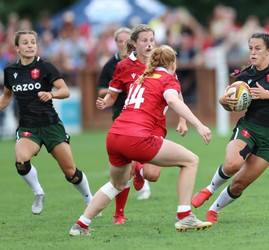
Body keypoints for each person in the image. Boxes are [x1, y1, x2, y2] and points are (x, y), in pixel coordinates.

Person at [69, 45, 212, 235]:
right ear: (172, 63)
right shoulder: (167, 78)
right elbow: (172, 100)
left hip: (114, 136)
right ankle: (184, 216)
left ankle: (81, 224)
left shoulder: (141, 78)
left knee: (116, 184)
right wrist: (199, 125)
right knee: (191, 160)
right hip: (137, 137)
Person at [191, 32, 269, 223]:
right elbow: (231, 105)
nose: (253, 52)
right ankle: (209, 189)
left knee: (240, 184)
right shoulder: (244, 76)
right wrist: (223, 101)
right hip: (249, 127)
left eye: (257, 48)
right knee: (233, 164)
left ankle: (213, 210)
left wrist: (268, 95)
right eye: (250, 48)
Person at [97, 24, 188, 224]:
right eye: (144, 40)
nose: (149, 44)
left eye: (151, 40)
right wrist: (106, 102)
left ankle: (139, 170)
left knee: (152, 175)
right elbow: (112, 95)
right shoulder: (123, 66)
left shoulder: (160, 61)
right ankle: (119, 214)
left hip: (156, 124)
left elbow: (176, 93)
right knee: (125, 170)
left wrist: (182, 119)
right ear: (134, 43)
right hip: (131, 122)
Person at [0, 30, 95, 215]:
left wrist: (51, 93)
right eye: (25, 43)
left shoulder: (45, 67)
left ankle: (89, 199)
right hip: (28, 127)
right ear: (17, 48)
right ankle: (38, 192)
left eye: (33, 42)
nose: (30, 45)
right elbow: (6, 97)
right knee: (20, 160)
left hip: (51, 126)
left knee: (71, 173)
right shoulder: (10, 71)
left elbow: (65, 90)